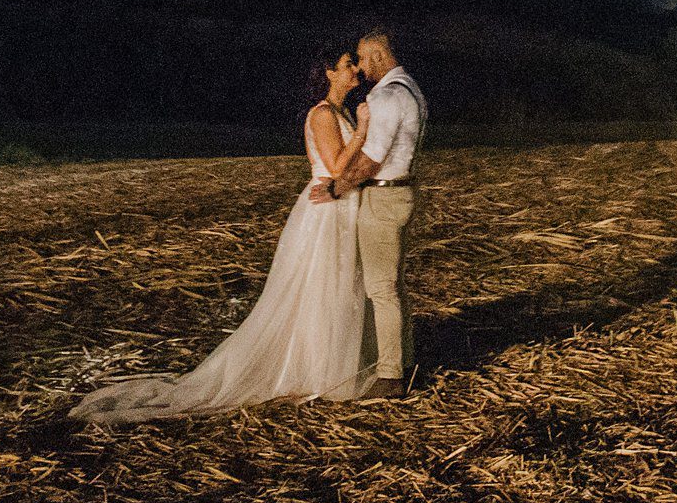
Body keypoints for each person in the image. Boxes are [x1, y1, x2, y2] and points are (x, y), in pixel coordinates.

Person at [71, 45, 380, 423]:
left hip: (342, 208)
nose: (356, 71)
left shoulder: (342, 111)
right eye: (349, 65)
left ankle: (328, 364)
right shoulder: (322, 114)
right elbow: (334, 166)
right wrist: (363, 131)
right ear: (330, 72)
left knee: (340, 286)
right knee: (320, 287)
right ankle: (316, 370)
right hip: (326, 210)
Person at [311, 25, 427, 397]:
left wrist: (336, 188)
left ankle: (391, 375)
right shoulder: (411, 89)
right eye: (352, 62)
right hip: (401, 192)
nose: (361, 67)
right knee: (395, 285)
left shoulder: (387, 96)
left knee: (382, 289)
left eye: (361, 58)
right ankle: (404, 362)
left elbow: (370, 161)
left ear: (378, 55)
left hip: (381, 198)